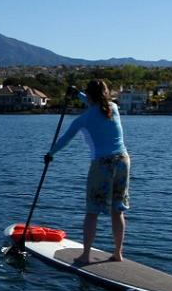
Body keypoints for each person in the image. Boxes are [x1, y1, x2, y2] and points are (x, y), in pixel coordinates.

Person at [45, 80, 130, 264]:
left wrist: (50, 153)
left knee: (92, 211)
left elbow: (65, 139)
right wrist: (78, 95)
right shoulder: (113, 108)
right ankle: (118, 253)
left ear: (89, 95)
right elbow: (96, 103)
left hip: (102, 164)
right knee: (117, 209)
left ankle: (85, 256)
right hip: (123, 161)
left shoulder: (82, 120)